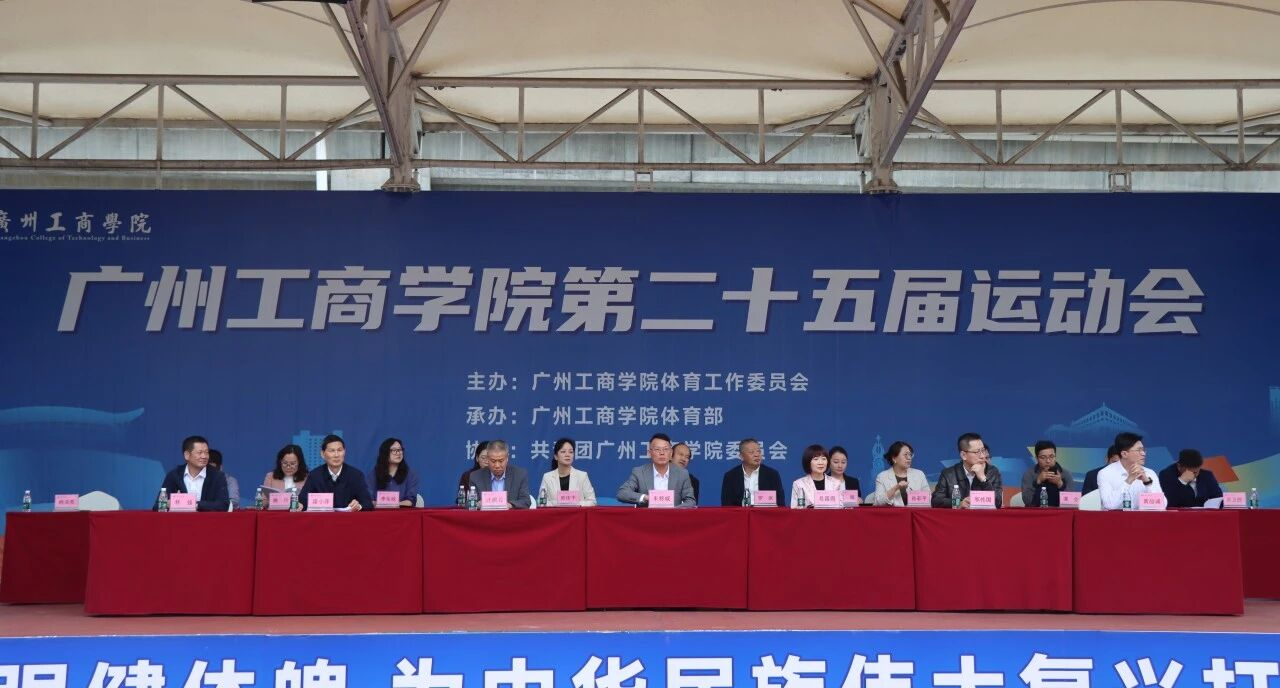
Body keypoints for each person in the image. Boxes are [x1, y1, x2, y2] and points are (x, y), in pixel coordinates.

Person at [617, 433, 696, 506]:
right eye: (657, 449)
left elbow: (690, 501)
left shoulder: (682, 474)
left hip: (673, 516)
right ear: (649, 453)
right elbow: (622, 493)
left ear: (671, 453)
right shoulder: (639, 472)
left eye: (665, 449)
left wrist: (673, 511)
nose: (662, 453)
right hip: (647, 516)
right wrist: (645, 497)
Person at [155, 435, 230, 512]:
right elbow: (157, 506)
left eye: (206, 452)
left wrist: (195, 505)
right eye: (199, 452)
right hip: (180, 519)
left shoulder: (217, 476)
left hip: (206, 519)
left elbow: (223, 505)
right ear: (187, 455)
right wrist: (167, 504)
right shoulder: (174, 475)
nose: (204, 456)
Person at [297, 434, 373, 511]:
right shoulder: (315, 476)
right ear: (322, 454)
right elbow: (302, 502)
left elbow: (368, 503)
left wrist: (358, 506)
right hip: (323, 518)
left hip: (348, 518)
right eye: (332, 451)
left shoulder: (356, 475)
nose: (336, 455)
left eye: (339, 450)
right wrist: (299, 505)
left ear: (344, 452)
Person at [931, 433, 1003, 508]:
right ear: (963, 455)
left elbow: (997, 502)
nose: (982, 456)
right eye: (977, 452)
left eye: (983, 450)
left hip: (982, 515)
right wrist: (959, 503)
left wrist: (983, 479)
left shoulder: (992, 472)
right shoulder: (949, 474)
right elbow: (936, 501)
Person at [1097, 432, 1161, 510]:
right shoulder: (1105, 473)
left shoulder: (1150, 473)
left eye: (1143, 450)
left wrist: (1147, 482)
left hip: (1142, 517)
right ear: (1124, 454)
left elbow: (1162, 504)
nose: (1143, 453)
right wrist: (1128, 480)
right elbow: (1109, 505)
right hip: (1116, 517)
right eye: (1139, 450)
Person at [720, 437, 784, 506]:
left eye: (759, 451)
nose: (757, 455)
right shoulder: (731, 476)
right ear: (741, 456)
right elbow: (726, 505)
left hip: (765, 512)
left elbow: (780, 503)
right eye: (751, 452)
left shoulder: (772, 475)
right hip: (740, 512)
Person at [468, 440, 531, 508]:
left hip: (509, 514)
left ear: (507, 458)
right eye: (493, 461)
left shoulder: (519, 475)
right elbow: (467, 503)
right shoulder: (475, 476)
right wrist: (477, 504)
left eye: (501, 461)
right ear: (488, 458)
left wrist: (510, 505)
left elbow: (526, 501)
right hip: (486, 514)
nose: (497, 465)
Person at [538, 438, 598, 506]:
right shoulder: (547, 477)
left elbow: (592, 501)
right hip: (555, 513)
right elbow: (541, 502)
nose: (567, 455)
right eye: (563, 452)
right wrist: (559, 503)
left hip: (576, 512)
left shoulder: (582, 476)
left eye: (571, 452)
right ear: (556, 456)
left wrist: (575, 503)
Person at [1158, 448, 1223, 508]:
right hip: (1178, 514)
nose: (1192, 475)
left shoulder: (1207, 475)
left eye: (1195, 472)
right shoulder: (1166, 475)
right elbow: (1168, 501)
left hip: (1203, 514)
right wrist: (1181, 481)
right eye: (1189, 471)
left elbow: (1219, 499)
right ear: (1179, 466)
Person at [873, 440, 930, 506]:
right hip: (893, 512)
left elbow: (929, 499)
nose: (909, 458)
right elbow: (877, 503)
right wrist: (896, 488)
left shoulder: (919, 474)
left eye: (910, 455)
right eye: (905, 455)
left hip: (915, 512)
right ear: (894, 458)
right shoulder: (882, 477)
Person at [368, 437, 419, 507]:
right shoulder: (374, 475)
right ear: (385, 453)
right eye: (394, 450)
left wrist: (393, 505)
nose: (398, 453)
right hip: (379, 512)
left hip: (402, 512)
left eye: (400, 450)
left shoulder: (410, 475)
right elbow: (368, 500)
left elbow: (410, 501)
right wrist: (382, 505)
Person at [1020, 440, 1074, 507]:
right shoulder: (1029, 474)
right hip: (1036, 512)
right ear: (1036, 458)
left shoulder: (1065, 474)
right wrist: (1038, 481)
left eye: (1051, 456)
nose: (1048, 461)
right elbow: (1028, 501)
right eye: (1043, 457)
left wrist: (1060, 484)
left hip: (1059, 512)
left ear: (1055, 456)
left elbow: (1071, 503)